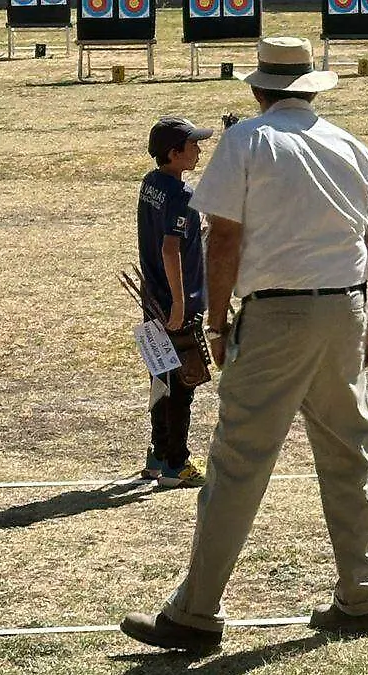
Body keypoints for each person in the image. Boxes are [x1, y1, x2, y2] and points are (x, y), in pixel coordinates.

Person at [119, 36, 368, 652]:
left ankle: (195, 615)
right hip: (343, 313)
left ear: (258, 89)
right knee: (352, 455)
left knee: (239, 462)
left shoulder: (247, 141)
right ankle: (360, 597)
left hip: (275, 316)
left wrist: (217, 325)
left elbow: (222, 241)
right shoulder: (353, 147)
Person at [138, 117, 213, 489]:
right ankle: (176, 462)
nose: (198, 151)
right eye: (193, 145)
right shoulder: (181, 196)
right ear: (174, 153)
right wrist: (181, 305)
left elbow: (173, 239)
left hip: (153, 298)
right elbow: (171, 249)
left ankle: (157, 453)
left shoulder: (151, 184)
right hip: (175, 304)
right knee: (182, 382)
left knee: (160, 378)